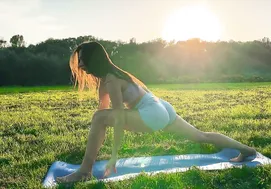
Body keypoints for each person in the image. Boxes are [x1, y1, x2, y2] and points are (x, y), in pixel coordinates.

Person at [56, 41, 257, 183]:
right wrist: (98, 134)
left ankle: (84, 171)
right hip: (162, 108)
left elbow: (115, 120)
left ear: (93, 59)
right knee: (201, 136)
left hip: (152, 113)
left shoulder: (111, 79)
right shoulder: (112, 76)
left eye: (82, 60)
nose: (80, 65)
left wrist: (114, 155)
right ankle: (248, 151)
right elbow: (103, 118)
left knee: (99, 118)